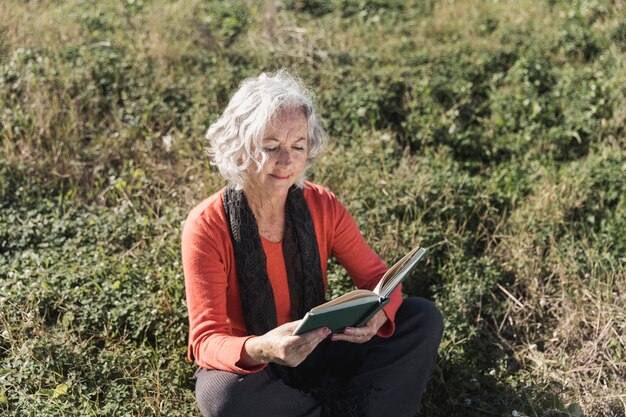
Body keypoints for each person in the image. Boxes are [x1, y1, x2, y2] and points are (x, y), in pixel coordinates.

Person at [182, 70, 443, 417]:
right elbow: (206, 340)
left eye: (298, 146)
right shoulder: (206, 226)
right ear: (240, 146)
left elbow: (379, 279)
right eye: (271, 146)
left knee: (421, 318)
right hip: (256, 362)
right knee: (223, 395)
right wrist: (264, 348)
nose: (287, 162)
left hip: (321, 342)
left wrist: (379, 315)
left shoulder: (323, 205)